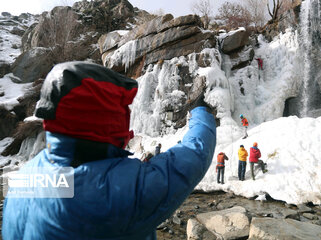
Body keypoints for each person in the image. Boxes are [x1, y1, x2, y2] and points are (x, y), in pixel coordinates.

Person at [2, 61, 216, 240]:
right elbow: (194, 155)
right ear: (107, 121)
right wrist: (200, 112)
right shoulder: (115, 190)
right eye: (122, 112)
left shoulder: (26, 176)